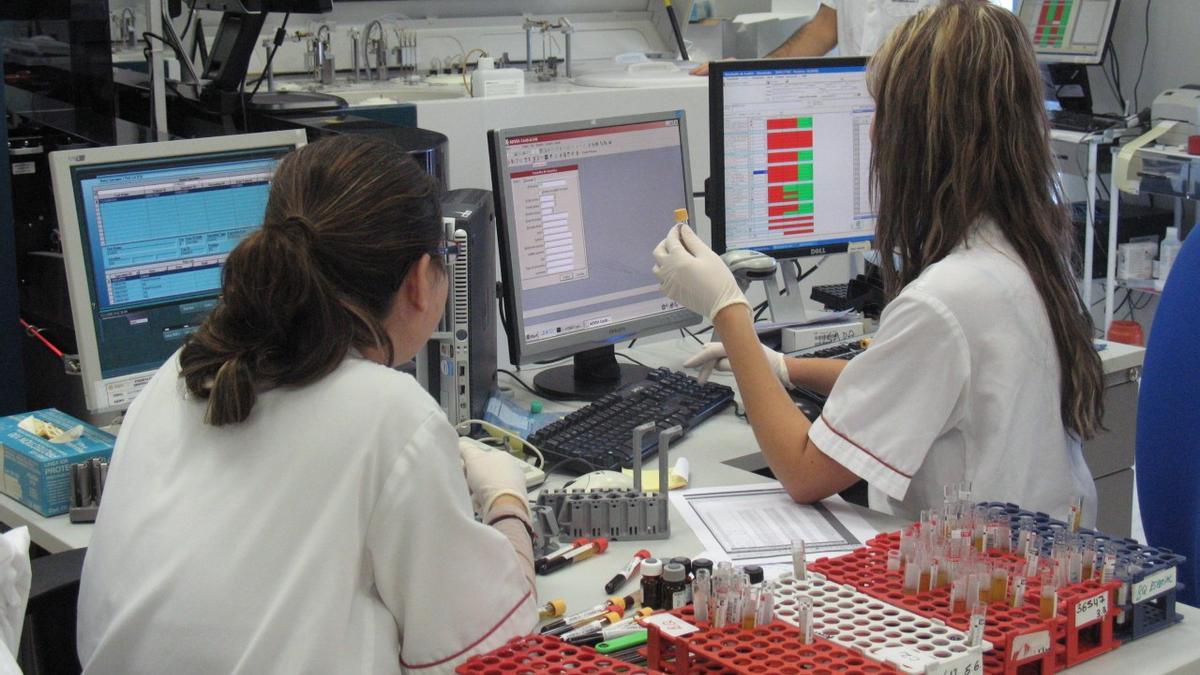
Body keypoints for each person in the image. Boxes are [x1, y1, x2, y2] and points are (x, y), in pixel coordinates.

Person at [77, 136, 536, 674]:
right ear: (419, 280)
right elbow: (494, 651)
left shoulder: (182, 372)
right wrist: (507, 500)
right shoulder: (389, 415)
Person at [655, 0, 1104, 525]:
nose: (871, 134)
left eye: (881, 113)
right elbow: (908, 381)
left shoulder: (946, 300)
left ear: (922, 136)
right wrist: (780, 366)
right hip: (1035, 571)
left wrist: (727, 308)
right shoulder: (1024, 250)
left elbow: (803, 472)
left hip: (973, 585)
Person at [691, 0, 940, 75]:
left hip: (930, 115)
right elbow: (823, 30)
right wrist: (750, 72)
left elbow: (972, 35)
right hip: (856, 110)